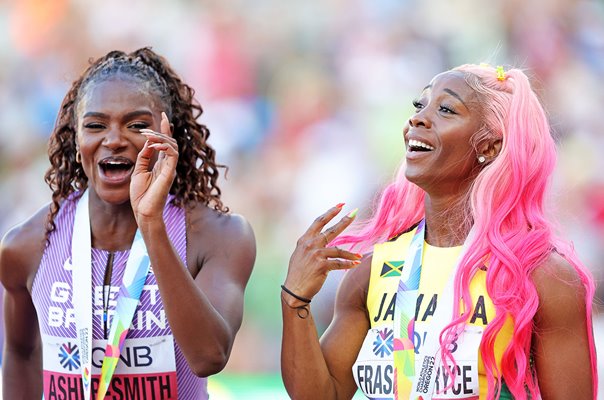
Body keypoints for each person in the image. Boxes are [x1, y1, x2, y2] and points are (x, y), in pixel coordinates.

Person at [281, 64, 597, 399]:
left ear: (489, 146)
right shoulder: (373, 269)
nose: (417, 119)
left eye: (445, 109)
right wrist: (294, 300)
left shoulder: (540, 275)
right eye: (420, 106)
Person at [0, 48, 256, 399]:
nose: (115, 139)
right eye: (95, 125)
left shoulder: (217, 236)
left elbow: (209, 356)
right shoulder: (27, 245)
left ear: (169, 135)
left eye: (137, 125)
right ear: (77, 140)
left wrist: (151, 224)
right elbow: (21, 353)